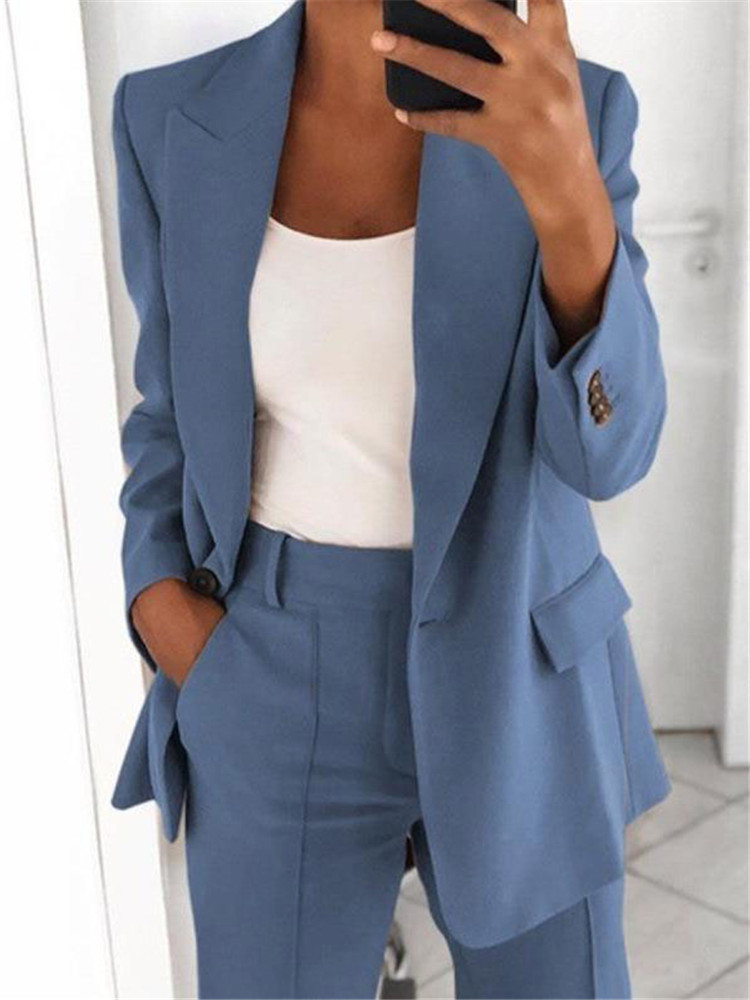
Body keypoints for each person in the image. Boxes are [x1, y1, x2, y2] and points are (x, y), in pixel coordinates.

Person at [110, 1, 672, 997]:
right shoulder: (170, 116)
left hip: (521, 664)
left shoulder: (571, 111)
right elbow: (169, 412)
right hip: (271, 669)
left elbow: (611, 454)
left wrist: (568, 205)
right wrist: (161, 603)